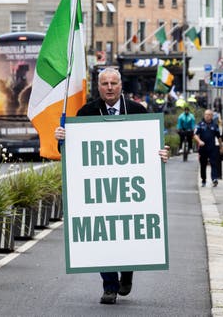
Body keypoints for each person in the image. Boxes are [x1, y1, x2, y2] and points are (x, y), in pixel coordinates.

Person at [53, 67, 169, 305]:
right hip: (99, 188)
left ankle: (127, 272)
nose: (109, 88)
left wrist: (162, 153)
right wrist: (62, 138)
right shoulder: (86, 113)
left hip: (128, 187)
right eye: (104, 84)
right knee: (102, 235)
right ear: (99, 87)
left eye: (113, 83)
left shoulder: (138, 111)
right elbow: (70, 152)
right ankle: (109, 286)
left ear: (121, 86)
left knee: (125, 232)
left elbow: (154, 146)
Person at [193, 109, 223, 187]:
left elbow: (219, 137)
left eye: (209, 114)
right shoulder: (200, 124)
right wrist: (199, 141)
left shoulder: (215, 125)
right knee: (203, 165)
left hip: (212, 148)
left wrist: (221, 147)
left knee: (214, 163)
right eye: (206, 114)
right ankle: (203, 180)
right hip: (203, 148)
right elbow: (195, 135)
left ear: (212, 116)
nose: (207, 116)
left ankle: (214, 179)